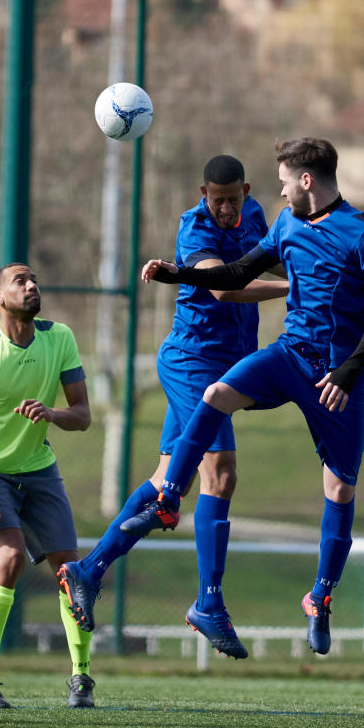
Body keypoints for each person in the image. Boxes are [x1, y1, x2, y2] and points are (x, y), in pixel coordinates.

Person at [125, 138, 364, 658]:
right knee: (216, 392)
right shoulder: (288, 225)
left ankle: (320, 596)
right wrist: (175, 272)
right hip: (289, 357)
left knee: (339, 490)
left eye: (284, 181)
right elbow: (236, 273)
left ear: (307, 180)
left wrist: (348, 370)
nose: (280, 189)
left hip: (340, 379)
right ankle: (167, 498)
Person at [57, 156, 288, 658]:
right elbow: (224, 285)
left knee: (166, 480)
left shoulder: (254, 216)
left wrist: (310, 267)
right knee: (220, 474)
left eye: (234, 198)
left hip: (229, 365)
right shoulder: (194, 226)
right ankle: (209, 603)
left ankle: (88, 570)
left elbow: (267, 258)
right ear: (203, 193)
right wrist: (296, 288)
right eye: (217, 199)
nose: (226, 209)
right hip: (192, 365)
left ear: (247, 190)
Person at [0, 263, 95, 709]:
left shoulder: (60, 338)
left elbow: (83, 415)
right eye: (20, 281)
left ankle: (82, 679)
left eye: (35, 280)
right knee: (9, 558)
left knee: (72, 574)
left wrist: (52, 414)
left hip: (39, 468)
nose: (32, 286)